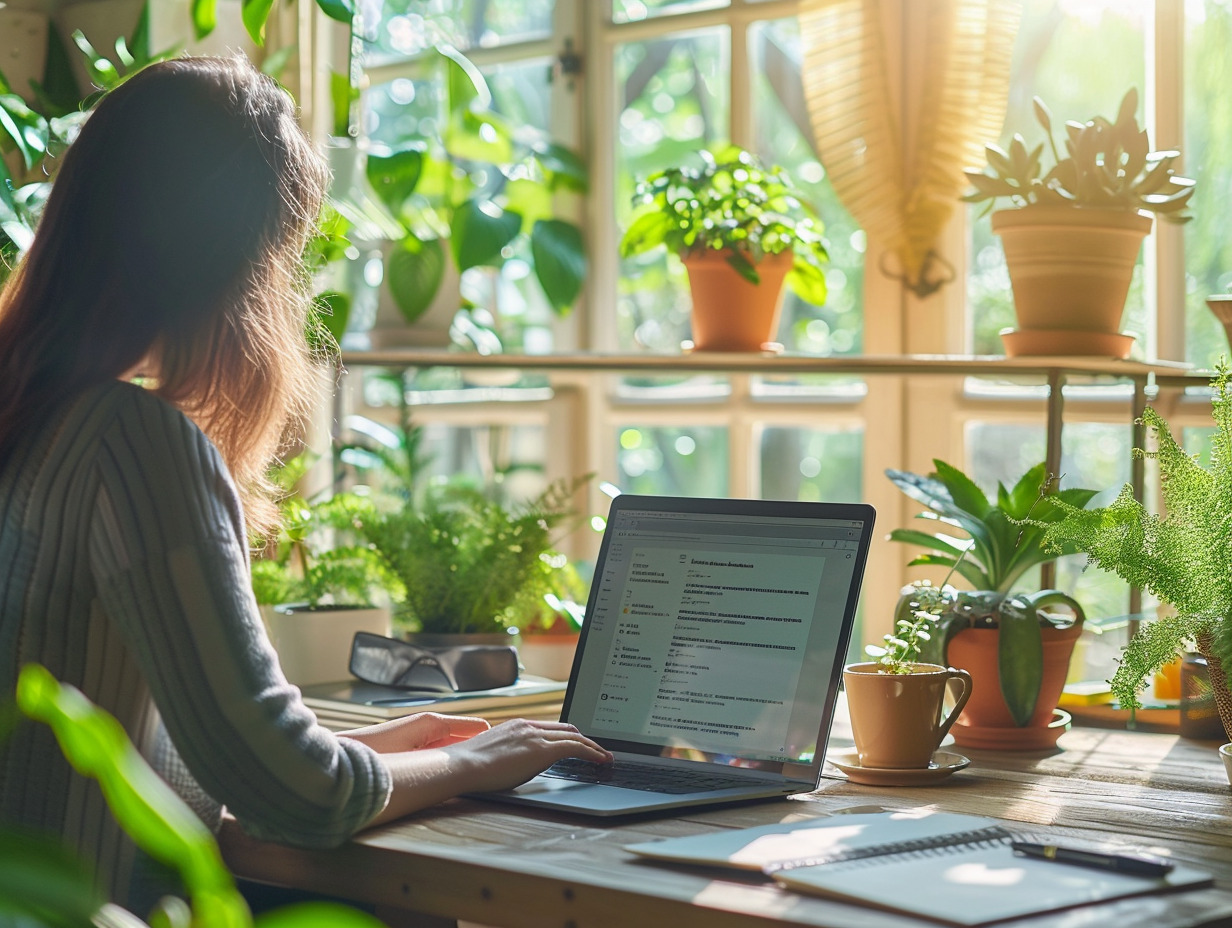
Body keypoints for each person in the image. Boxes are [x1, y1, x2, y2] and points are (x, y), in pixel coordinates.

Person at [0, 55, 610, 913]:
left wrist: (396, 748)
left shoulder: (30, 415)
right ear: (235, 265)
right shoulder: (130, 444)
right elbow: (294, 797)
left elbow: (172, 744)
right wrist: (475, 761)